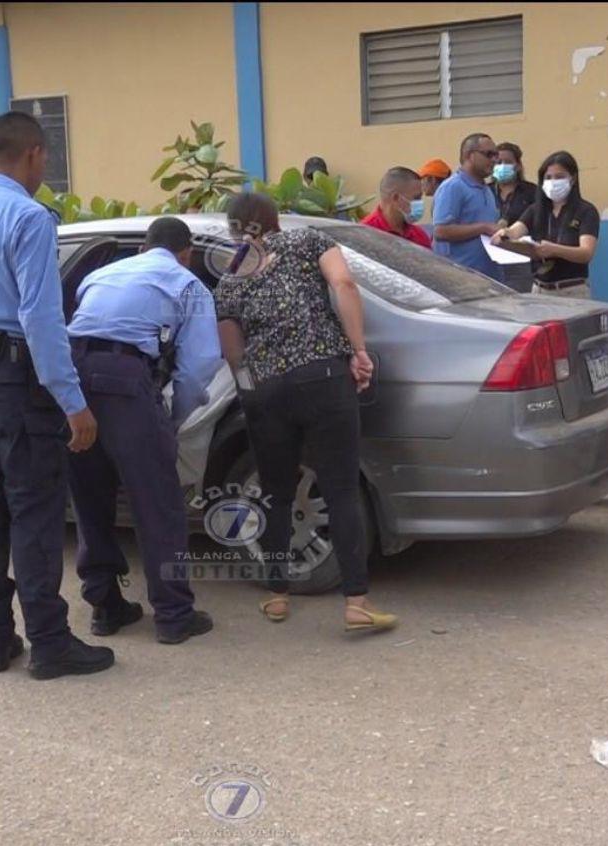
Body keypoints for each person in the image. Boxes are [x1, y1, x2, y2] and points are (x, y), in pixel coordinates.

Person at [0, 110, 109, 679]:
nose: (45, 169)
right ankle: (50, 644)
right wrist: (72, 400)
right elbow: (40, 316)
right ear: (33, 154)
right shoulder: (30, 218)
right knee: (33, 510)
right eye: (45, 160)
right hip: (17, 379)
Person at [214, 192, 397, 633]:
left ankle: (277, 595)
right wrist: (358, 350)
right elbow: (345, 286)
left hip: (266, 390)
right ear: (274, 219)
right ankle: (356, 602)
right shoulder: (307, 242)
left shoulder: (229, 278)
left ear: (236, 228)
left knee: (276, 492)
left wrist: (253, 390)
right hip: (323, 377)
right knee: (340, 489)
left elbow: (233, 351)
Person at [66, 217, 223, 643]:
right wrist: (170, 420)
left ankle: (105, 607)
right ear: (186, 253)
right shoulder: (187, 284)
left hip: (72, 379)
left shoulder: (100, 274)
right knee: (158, 502)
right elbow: (199, 366)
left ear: (142, 249)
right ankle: (173, 615)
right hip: (126, 381)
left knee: (90, 497)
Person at [491, 151, 600, 297]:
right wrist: (503, 235)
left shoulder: (586, 210)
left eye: (559, 177)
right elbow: (515, 231)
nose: (553, 182)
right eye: (548, 177)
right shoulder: (536, 209)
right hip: (539, 290)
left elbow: (586, 253)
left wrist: (554, 250)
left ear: (572, 179)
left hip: (572, 290)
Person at [432, 133, 502, 280]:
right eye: (489, 154)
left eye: (496, 155)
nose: (495, 160)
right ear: (470, 156)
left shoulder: (486, 189)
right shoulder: (453, 187)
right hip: (461, 280)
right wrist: (484, 227)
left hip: (490, 278)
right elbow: (441, 231)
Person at [360, 166, 432, 249]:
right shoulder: (364, 235)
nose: (420, 203)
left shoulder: (419, 237)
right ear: (396, 198)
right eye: (416, 198)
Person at [492, 142, 538, 227]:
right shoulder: (485, 191)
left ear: (518, 166)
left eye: (508, 162)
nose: (503, 166)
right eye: (498, 162)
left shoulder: (532, 191)